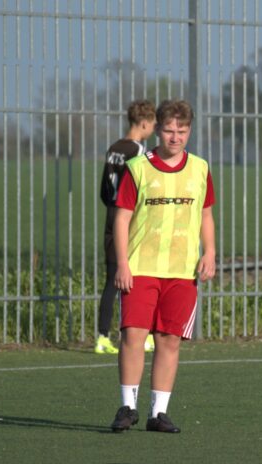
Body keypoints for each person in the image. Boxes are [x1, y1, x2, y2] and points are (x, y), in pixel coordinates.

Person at [108, 99, 217, 433]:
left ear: (189, 131)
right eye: (169, 130)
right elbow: (122, 217)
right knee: (134, 336)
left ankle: (159, 413)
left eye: (181, 131)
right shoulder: (138, 167)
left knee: (169, 339)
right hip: (141, 267)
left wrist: (210, 251)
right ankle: (128, 407)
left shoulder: (200, 168)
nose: (175, 137)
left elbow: (205, 213)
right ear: (158, 129)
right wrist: (122, 263)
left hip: (182, 271)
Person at [96, 100, 156, 355]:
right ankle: (141, 335)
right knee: (137, 276)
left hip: (111, 215)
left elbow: (104, 188)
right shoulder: (139, 151)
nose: (154, 129)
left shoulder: (114, 148)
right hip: (129, 218)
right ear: (144, 123)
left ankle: (101, 337)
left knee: (113, 279)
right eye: (153, 124)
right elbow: (141, 186)